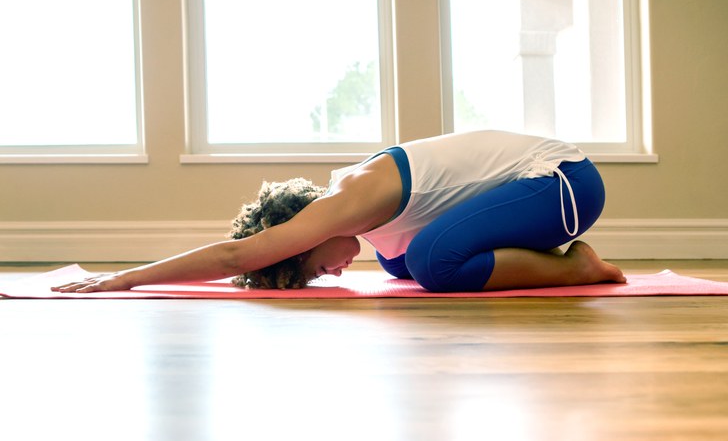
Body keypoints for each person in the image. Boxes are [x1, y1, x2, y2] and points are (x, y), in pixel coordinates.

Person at [52, 130, 626, 294]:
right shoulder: (355, 211)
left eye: (306, 268)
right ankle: (551, 258)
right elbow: (246, 262)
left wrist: (125, 278)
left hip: (564, 183)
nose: (327, 273)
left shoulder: (347, 201)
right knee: (403, 264)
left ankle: (578, 268)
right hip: (541, 187)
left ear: (301, 233)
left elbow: (236, 254)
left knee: (431, 263)